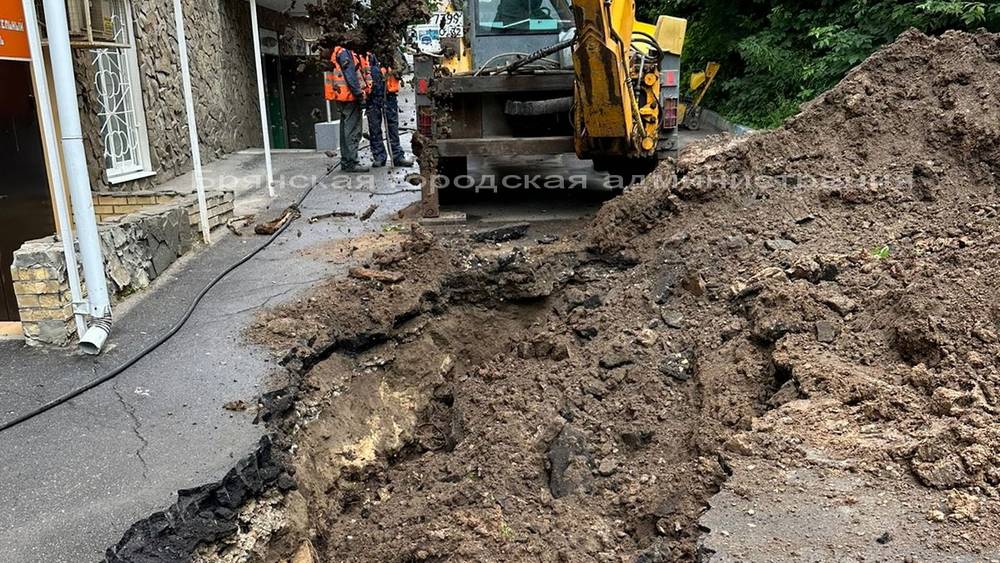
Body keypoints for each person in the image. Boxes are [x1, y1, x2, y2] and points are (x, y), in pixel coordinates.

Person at [365, 50, 413, 168]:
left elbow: (405, 67)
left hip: (389, 95)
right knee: (374, 127)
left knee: (392, 125)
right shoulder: (366, 52)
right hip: (372, 95)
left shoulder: (391, 49)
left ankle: (397, 156)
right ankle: (379, 156)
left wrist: (395, 70)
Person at [329, 42, 371, 172]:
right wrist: (359, 94)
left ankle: (347, 161)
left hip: (343, 96)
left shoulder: (338, 51)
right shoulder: (345, 53)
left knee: (345, 128)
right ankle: (351, 161)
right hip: (349, 96)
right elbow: (351, 76)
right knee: (352, 129)